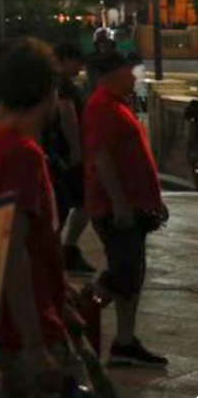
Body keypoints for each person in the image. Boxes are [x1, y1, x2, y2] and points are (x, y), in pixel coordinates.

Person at [0, 39, 85, 395]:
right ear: (47, 91)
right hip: (25, 326)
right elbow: (12, 251)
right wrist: (34, 344)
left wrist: (61, 291)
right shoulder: (21, 153)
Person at [83, 51, 168, 367]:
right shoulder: (102, 106)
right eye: (130, 73)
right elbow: (102, 158)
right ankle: (80, 314)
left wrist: (153, 201)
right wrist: (119, 202)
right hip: (116, 208)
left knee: (132, 275)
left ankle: (125, 340)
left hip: (134, 205)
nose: (136, 78)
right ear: (113, 73)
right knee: (122, 274)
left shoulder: (117, 104)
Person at [48, 42, 96, 274]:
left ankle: (61, 250)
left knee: (67, 203)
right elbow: (68, 117)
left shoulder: (53, 82)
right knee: (73, 201)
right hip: (65, 155)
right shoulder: (62, 84)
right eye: (77, 62)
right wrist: (77, 151)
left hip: (59, 154)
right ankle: (63, 249)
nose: (80, 67)